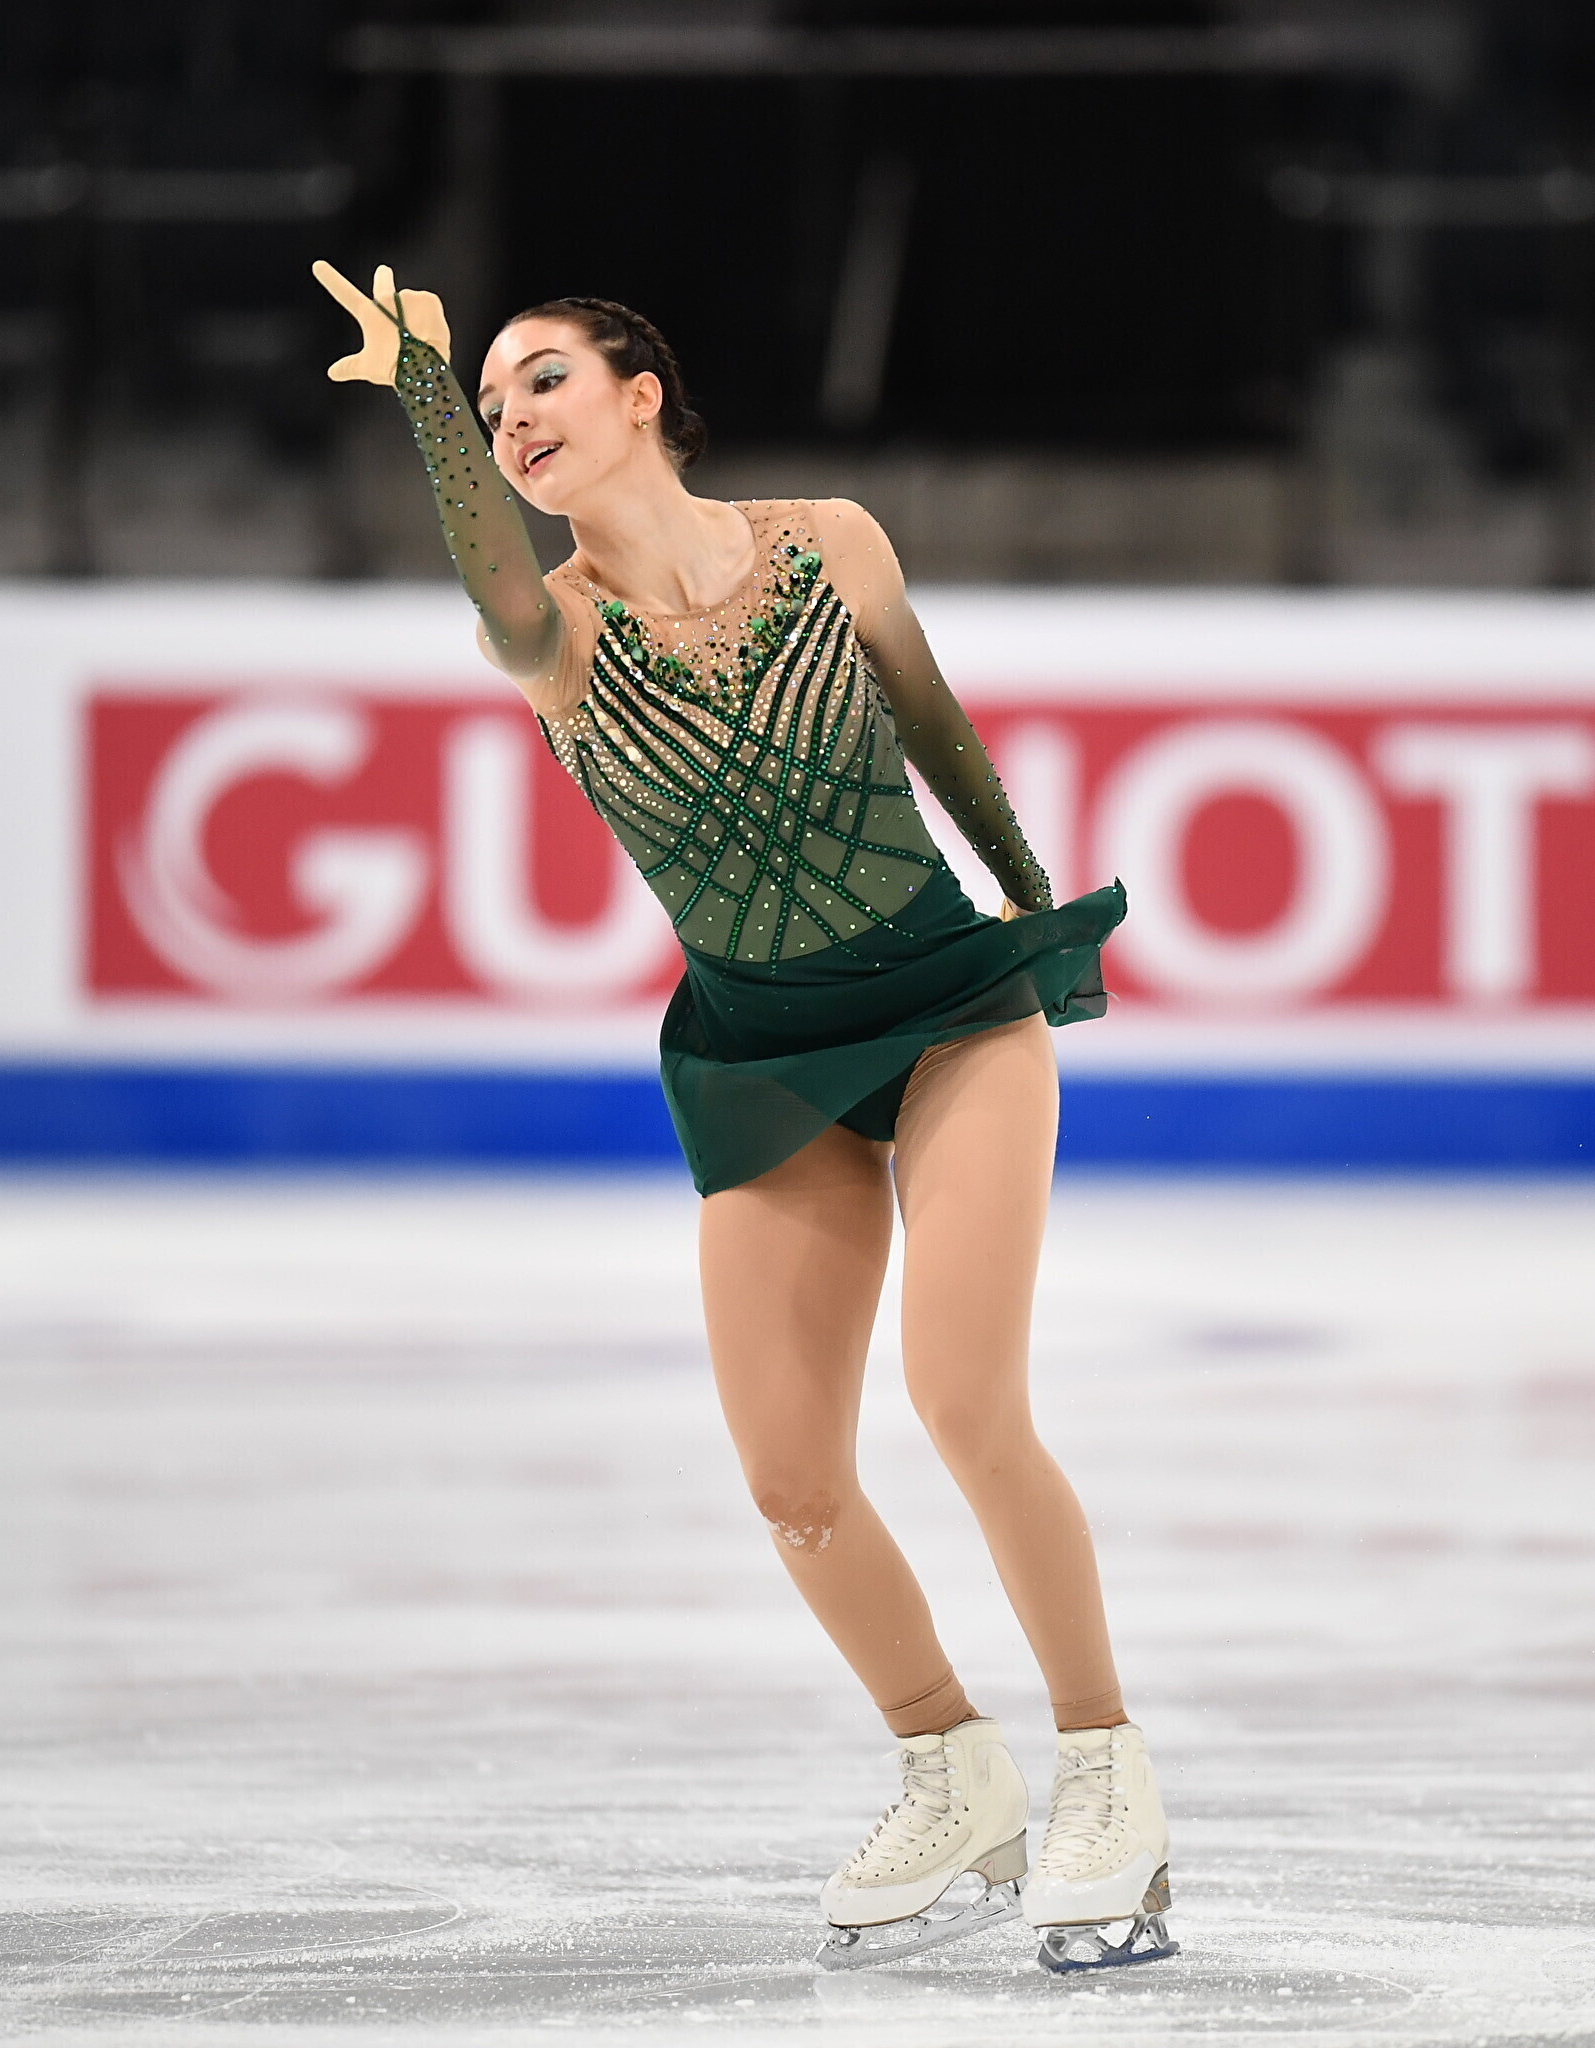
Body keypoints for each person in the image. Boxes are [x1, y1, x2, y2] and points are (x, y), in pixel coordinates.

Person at [310, 262, 1174, 1974]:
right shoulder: (550, 637)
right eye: (491, 402)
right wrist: (421, 396)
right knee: (792, 1483)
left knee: (967, 1404)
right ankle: (951, 1765)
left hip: (949, 1010)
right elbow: (490, 566)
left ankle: (1106, 1771)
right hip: (763, 1053)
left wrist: (1029, 910)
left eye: (541, 380)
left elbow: (935, 727)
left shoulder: (832, 543)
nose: (513, 416)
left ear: (642, 394)